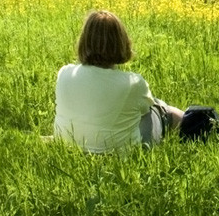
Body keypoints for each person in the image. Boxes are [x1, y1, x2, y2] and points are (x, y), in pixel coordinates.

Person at [54, 10, 183, 153]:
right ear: (121, 42)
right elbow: (146, 114)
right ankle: (198, 124)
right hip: (117, 152)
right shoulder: (132, 83)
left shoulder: (64, 73)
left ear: (84, 41)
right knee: (157, 109)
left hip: (68, 145)